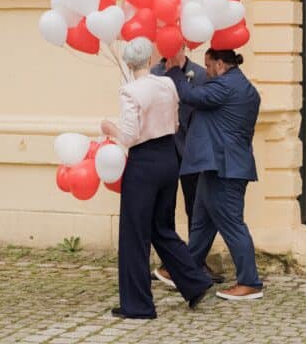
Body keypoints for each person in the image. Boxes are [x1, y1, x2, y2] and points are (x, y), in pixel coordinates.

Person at [100, 37, 212, 319]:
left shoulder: (130, 91)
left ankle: (138, 305)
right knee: (162, 227)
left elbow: (128, 135)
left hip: (144, 162)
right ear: (150, 59)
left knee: (134, 234)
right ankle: (194, 281)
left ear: (128, 62)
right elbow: (175, 123)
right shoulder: (168, 84)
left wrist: (108, 127)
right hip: (168, 158)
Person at [163, 48, 264, 300]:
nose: (206, 72)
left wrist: (174, 69)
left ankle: (250, 282)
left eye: (208, 66)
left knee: (232, 224)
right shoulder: (242, 86)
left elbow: (189, 95)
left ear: (220, 64)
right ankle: (185, 271)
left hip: (225, 169)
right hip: (216, 167)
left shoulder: (227, 86)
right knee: (201, 225)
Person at [151, 47, 225, 286]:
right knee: (164, 208)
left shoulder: (201, 74)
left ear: (183, 47)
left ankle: (197, 261)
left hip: (192, 151)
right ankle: (171, 263)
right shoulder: (154, 73)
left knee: (196, 208)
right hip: (163, 150)